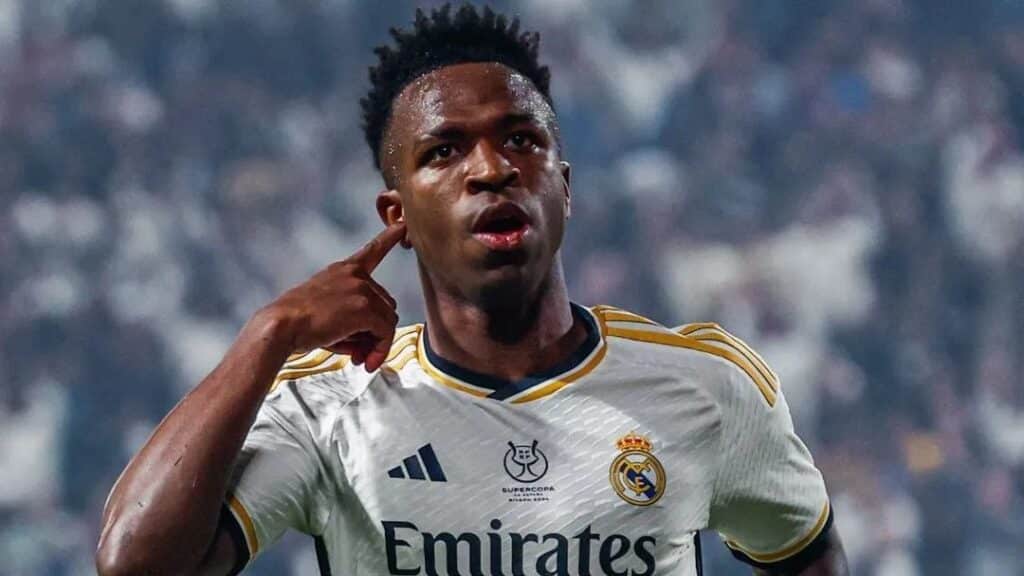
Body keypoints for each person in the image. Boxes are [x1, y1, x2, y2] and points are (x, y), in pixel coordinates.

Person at [96, 5, 849, 575]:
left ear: (564, 186)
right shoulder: (329, 409)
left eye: (521, 139)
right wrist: (271, 333)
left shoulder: (706, 387)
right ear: (397, 217)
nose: (491, 169)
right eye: (444, 151)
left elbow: (807, 555)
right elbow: (134, 565)